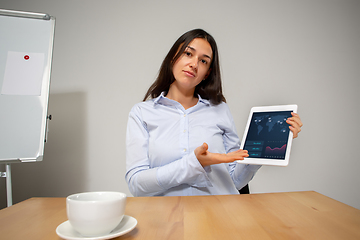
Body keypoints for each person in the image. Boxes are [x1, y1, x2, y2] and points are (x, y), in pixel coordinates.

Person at [125, 29, 302, 197]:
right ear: (173, 58)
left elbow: (235, 181)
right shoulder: (142, 113)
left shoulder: (220, 110)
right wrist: (194, 163)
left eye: (203, 61)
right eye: (188, 53)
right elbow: (137, 184)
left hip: (219, 214)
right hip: (168, 219)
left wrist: (264, 147)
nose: (194, 64)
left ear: (207, 73)